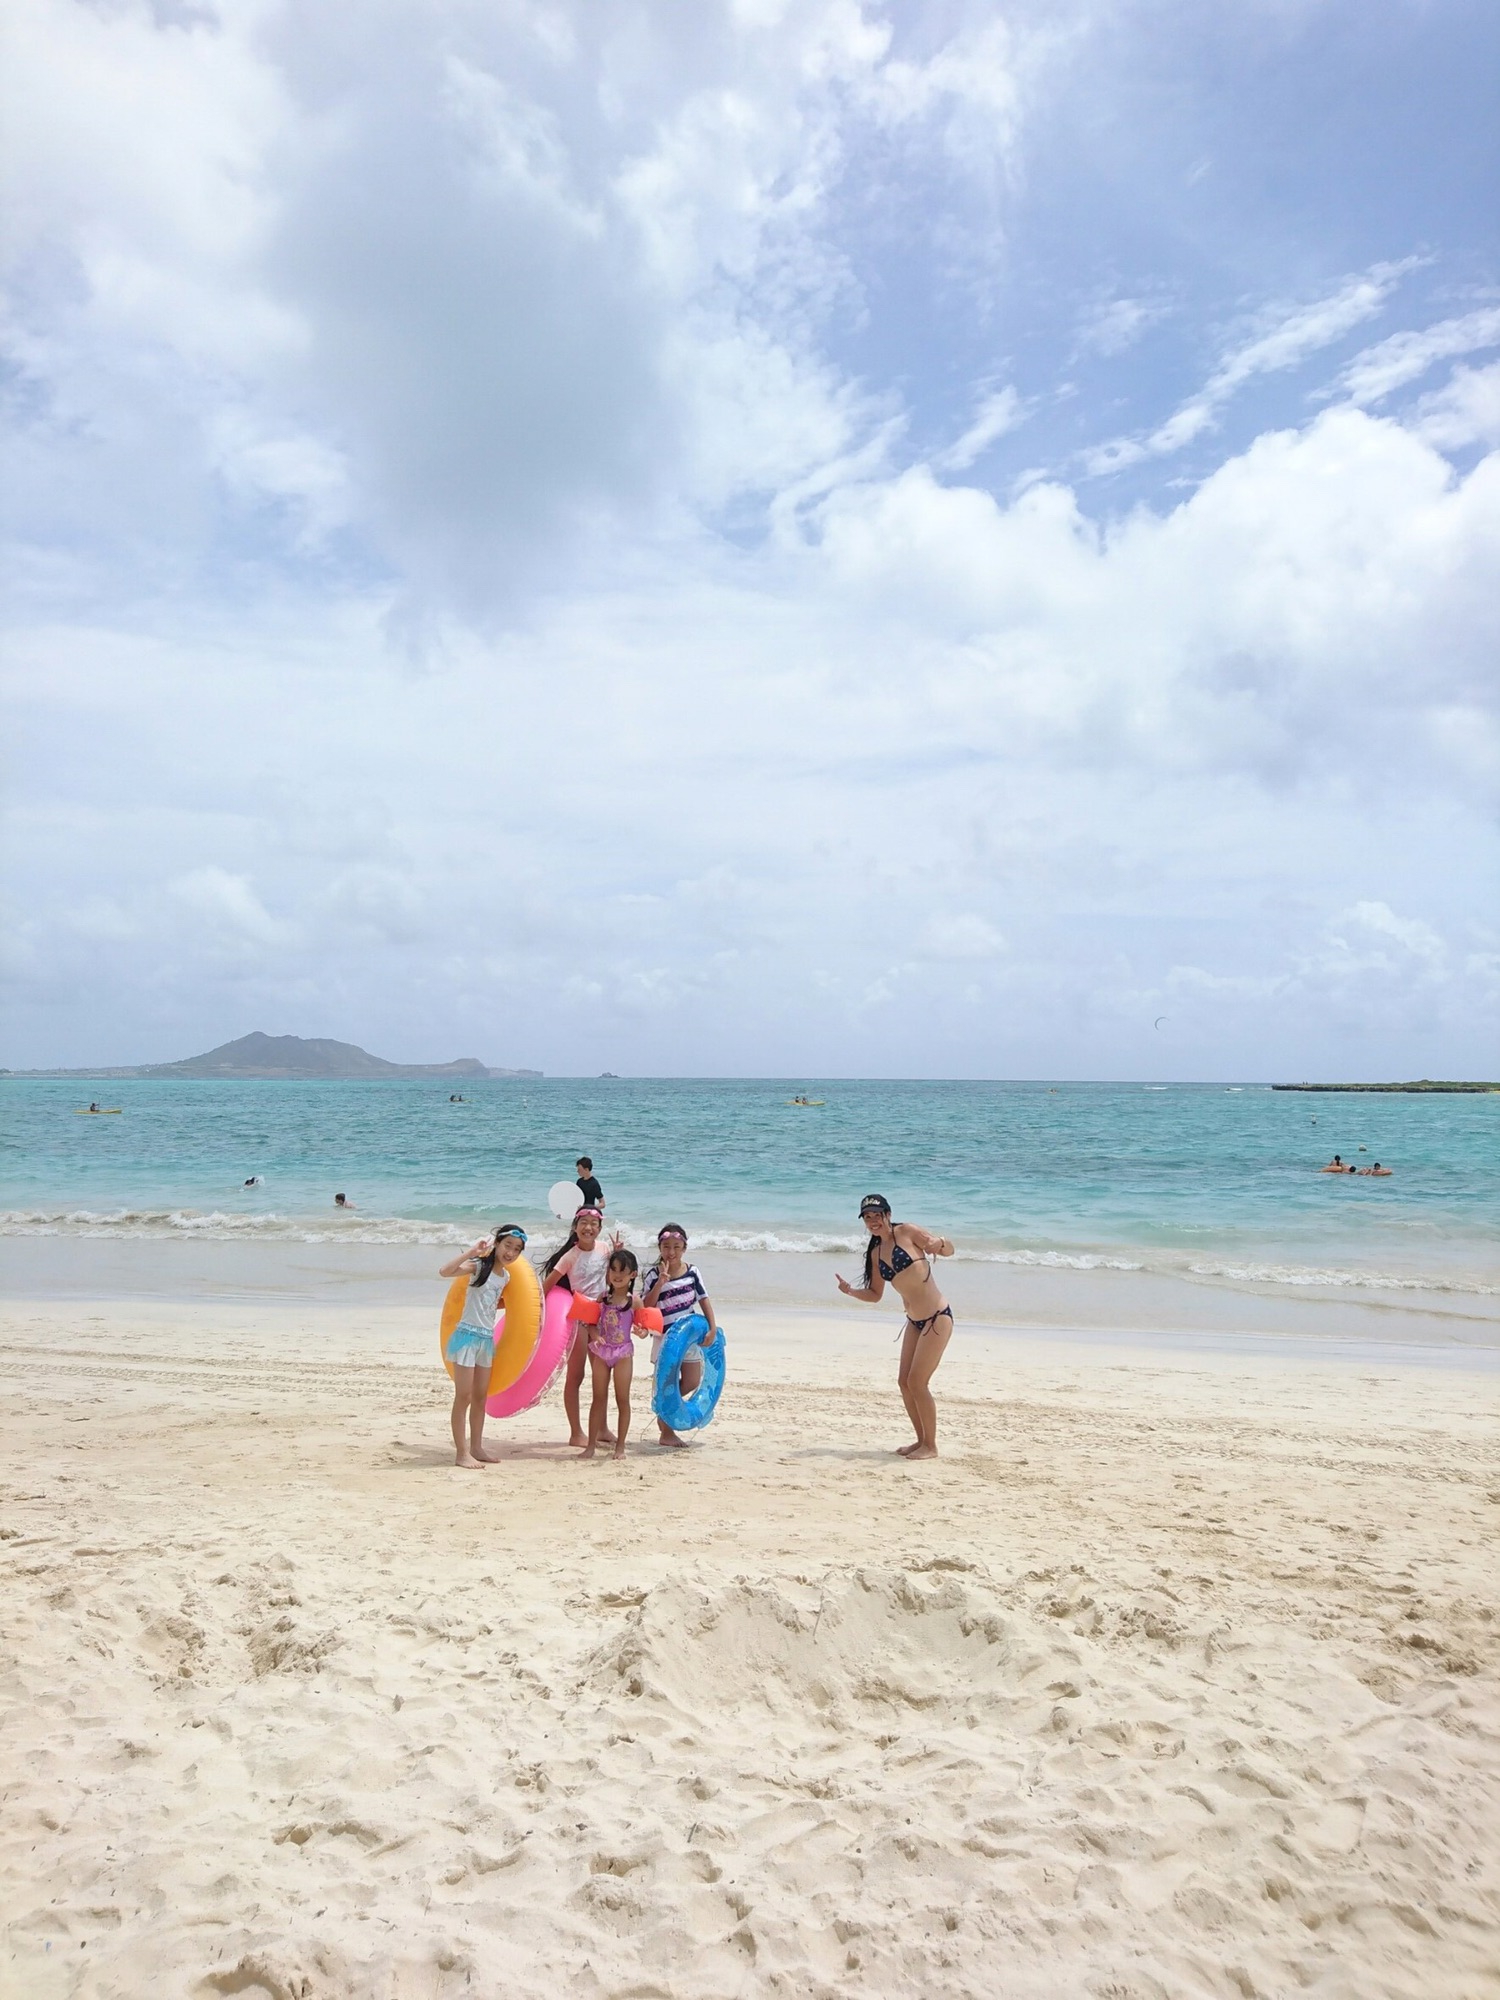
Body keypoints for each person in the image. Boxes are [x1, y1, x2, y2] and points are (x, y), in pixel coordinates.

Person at [836, 1194, 955, 1461]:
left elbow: (948, 1251)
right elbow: (875, 1294)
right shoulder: (876, 1253)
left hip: (938, 1317)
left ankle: (931, 1446)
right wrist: (852, 1292)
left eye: (877, 1215)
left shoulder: (909, 1231)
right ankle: (921, 1440)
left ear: (888, 1214)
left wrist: (941, 1243)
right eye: (867, 1217)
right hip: (914, 1321)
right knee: (904, 1382)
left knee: (918, 1381)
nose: (872, 1221)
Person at [437, 1225, 527, 1468]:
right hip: (466, 1337)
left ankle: (476, 1447)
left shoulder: (505, 1277)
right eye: (507, 1245)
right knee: (463, 1396)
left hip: (486, 1341)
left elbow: (491, 1301)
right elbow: (444, 1271)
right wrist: (472, 1251)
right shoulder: (479, 1267)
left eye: (516, 1249)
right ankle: (461, 1453)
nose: (511, 1252)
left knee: (479, 1397)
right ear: (497, 1243)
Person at [543, 1206, 621, 1446]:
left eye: (593, 1223)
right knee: (576, 1376)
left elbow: (614, 1279)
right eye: (583, 1223)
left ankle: (602, 1429)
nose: (589, 1227)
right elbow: (547, 1286)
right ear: (575, 1227)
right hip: (579, 1323)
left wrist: (619, 1254)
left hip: (602, 1320)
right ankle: (576, 1432)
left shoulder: (605, 1250)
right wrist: (540, 1314)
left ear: (599, 1228)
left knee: (602, 1376)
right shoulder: (569, 1257)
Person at [640, 1225, 719, 1448]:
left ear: (684, 1248)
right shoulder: (654, 1274)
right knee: (667, 1382)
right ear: (660, 1248)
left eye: (676, 1247)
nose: (671, 1252)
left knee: (692, 1380)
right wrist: (660, 1283)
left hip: (689, 1336)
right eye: (666, 1247)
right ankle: (666, 1432)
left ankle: (662, 1408)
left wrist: (712, 1328)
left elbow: (704, 1299)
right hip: (664, 1338)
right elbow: (646, 1306)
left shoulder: (693, 1272)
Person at [580, 1250, 643, 1461]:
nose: (617, 1275)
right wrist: (596, 1335)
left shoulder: (634, 1301)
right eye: (613, 1270)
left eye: (622, 1271)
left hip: (623, 1352)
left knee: (622, 1399)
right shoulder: (603, 1298)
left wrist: (642, 1332)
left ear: (632, 1275)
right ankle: (590, 1446)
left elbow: (643, 1328)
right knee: (598, 1398)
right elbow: (591, 1324)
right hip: (603, 1351)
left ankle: (621, 1447)